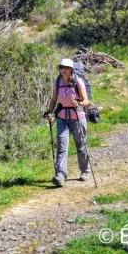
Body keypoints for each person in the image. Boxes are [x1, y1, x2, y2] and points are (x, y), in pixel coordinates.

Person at [45, 58, 92, 187]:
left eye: (65, 68)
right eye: (61, 68)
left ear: (71, 69)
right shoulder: (57, 82)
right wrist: (49, 112)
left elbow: (87, 101)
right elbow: (54, 100)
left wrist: (79, 103)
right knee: (61, 146)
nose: (63, 70)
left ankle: (85, 171)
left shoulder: (78, 82)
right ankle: (60, 175)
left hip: (78, 117)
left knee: (81, 145)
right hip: (62, 118)